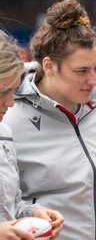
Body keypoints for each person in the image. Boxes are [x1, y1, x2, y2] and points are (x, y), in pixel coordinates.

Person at [3, 0, 96, 239]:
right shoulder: (9, 116)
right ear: (49, 66)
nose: (94, 80)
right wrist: (34, 212)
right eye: (81, 71)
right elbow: (6, 205)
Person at [0, 30, 63, 239]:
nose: (10, 103)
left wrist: (33, 214)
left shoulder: (4, 133)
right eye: (3, 92)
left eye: (13, 90)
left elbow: (11, 203)